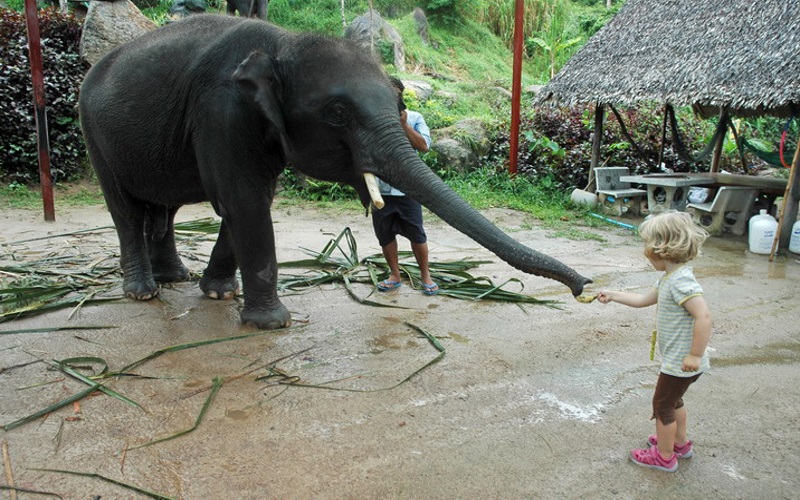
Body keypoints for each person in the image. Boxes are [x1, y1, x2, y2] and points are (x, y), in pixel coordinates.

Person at [597, 210, 712, 473]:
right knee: (674, 402)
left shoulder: (681, 282)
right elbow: (642, 300)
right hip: (683, 362)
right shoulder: (670, 278)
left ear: (661, 248)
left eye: (647, 246)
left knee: (662, 406)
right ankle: (679, 443)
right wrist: (613, 295)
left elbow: (704, 316)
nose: (645, 252)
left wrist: (694, 354)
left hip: (681, 362)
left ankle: (664, 456)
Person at [372, 78, 438, 295]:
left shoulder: (415, 118)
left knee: (417, 234)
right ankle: (394, 275)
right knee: (385, 234)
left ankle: (425, 276)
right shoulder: (372, 120)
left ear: (401, 95)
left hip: (407, 189)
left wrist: (403, 125)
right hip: (380, 189)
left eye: (395, 94)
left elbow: (424, 146)